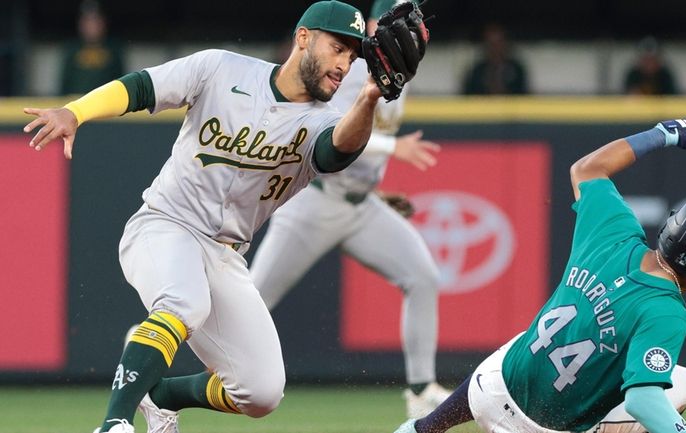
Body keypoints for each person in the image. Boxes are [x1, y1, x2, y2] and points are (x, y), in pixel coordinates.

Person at [21, 1, 414, 431]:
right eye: (338, 48)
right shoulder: (221, 69)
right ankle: (113, 422)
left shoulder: (327, 120)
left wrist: (371, 95)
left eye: (353, 56)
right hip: (165, 224)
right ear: (304, 37)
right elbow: (141, 87)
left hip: (225, 255)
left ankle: (163, 395)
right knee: (183, 303)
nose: (344, 64)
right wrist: (75, 111)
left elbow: (337, 152)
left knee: (262, 391)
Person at [392, 117, 686, 433]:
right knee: (681, 383)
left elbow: (587, 170)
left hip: (490, 387)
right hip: (544, 429)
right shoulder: (666, 311)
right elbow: (642, 402)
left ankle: (425, 427)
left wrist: (663, 134)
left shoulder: (614, 232)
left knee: (526, 343)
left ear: (668, 225)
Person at [249, 0, 445, 418]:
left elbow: (361, 151)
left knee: (423, 276)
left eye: (413, 26)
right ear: (375, 25)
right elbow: (332, 135)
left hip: (360, 206)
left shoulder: (402, 74)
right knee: (250, 302)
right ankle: (155, 338)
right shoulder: (352, 67)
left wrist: (379, 194)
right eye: (398, 23)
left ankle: (420, 388)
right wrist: (396, 146)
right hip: (314, 202)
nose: (409, 35)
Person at [60, 1, 125, 95]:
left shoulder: (114, 48)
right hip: (76, 103)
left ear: (103, 23)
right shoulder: (72, 48)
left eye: (96, 21)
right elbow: (65, 81)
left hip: (105, 103)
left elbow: (121, 80)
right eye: (87, 21)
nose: (92, 26)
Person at [462, 23, 528, 95]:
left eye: (498, 43)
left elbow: (523, 95)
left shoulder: (516, 69)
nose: (495, 48)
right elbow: (467, 96)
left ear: (505, 43)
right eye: (491, 44)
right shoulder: (477, 70)